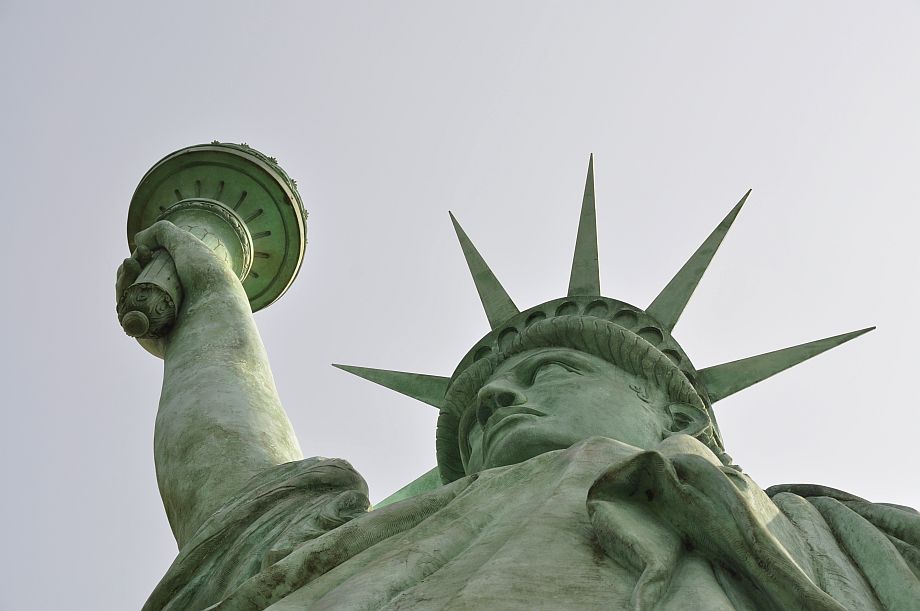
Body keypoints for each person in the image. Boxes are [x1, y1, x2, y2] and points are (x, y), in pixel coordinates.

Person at [119, 163, 920, 611]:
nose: (499, 402)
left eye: (551, 370)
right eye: (468, 425)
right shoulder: (409, 537)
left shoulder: (836, 536)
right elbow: (236, 506)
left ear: (676, 411)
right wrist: (213, 299)